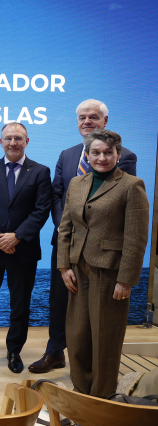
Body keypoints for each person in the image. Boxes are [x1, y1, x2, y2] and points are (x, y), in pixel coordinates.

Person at [30, 99, 137, 373]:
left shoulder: (124, 156)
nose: (87, 121)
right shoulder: (67, 155)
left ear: (105, 121)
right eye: (82, 117)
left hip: (101, 249)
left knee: (95, 308)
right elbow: (57, 193)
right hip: (66, 242)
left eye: (93, 117)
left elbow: (122, 206)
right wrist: (63, 227)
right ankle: (55, 352)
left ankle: (92, 364)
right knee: (59, 300)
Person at [58, 129, 148, 397]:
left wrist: (126, 279)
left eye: (108, 152)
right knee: (77, 337)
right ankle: (81, 395)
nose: (102, 157)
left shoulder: (131, 185)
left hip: (110, 273)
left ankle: (101, 401)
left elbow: (136, 236)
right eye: (96, 152)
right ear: (87, 155)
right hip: (78, 269)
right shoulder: (77, 183)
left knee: (104, 341)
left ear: (118, 155)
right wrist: (64, 266)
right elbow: (66, 227)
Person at [0, 123, 52, 373]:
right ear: (1, 142)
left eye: (18, 138)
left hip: (23, 250)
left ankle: (14, 350)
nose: (13, 143)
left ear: (26, 141)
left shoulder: (40, 171)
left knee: (20, 304)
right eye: (8, 138)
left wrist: (17, 236)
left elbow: (41, 210)